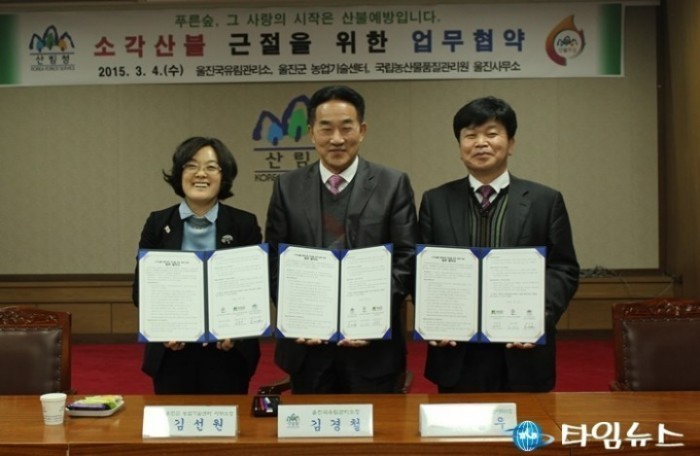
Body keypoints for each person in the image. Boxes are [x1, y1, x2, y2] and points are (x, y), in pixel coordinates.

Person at [265, 85, 419, 394]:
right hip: (307, 347)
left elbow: (405, 258)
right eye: (326, 128)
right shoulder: (287, 186)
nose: (337, 138)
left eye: (346, 128)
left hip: (372, 347)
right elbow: (274, 259)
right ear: (312, 133)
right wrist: (299, 318)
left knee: (376, 424)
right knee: (311, 424)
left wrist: (369, 318)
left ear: (362, 131)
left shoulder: (392, 184)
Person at [419, 96, 579, 393]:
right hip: (457, 352)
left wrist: (538, 318)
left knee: (526, 425)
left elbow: (563, 269)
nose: (481, 143)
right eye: (470, 135)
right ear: (460, 146)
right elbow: (423, 270)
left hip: (523, 350)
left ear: (511, 143)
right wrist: (433, 319)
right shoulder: (435, 201)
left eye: (492, 134)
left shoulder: (545, 201)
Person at [132, 136, 261, 394]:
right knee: (174, 419)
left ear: (224, 176)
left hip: (227, 352)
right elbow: (141, 292)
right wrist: (165, 329)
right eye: (191, 166)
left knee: (227, 419)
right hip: (172, 351)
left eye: (211, 167)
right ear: (179, 174)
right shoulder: (158, 223)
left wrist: (236, 330)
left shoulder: (244, 224)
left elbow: (253, 290)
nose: (201, 174)